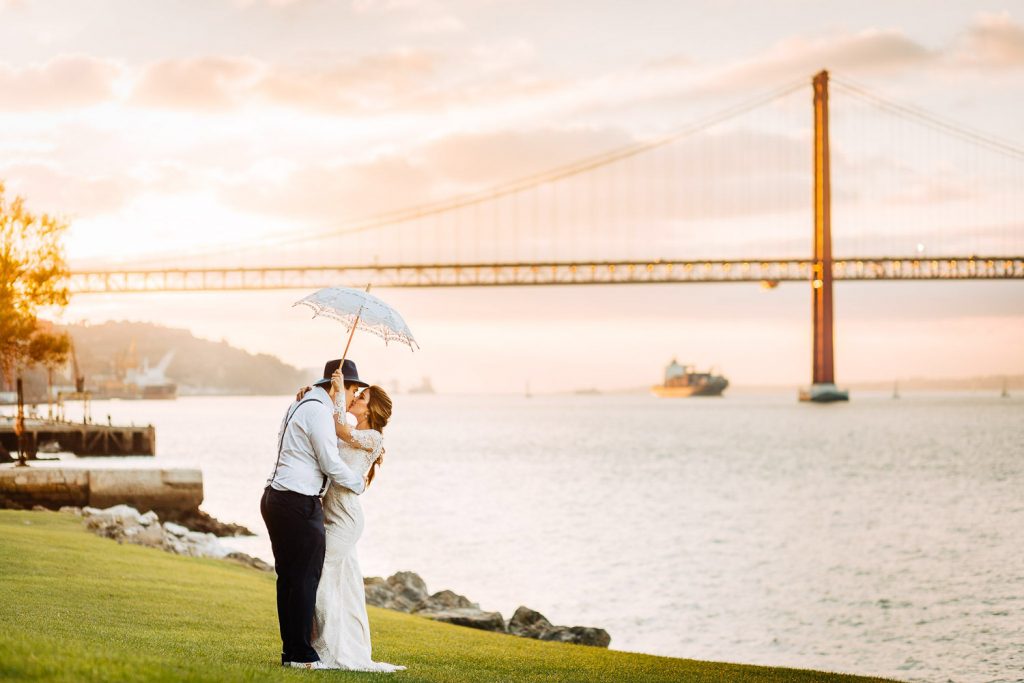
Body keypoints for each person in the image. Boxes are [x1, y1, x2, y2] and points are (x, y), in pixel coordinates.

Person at [260, 358, 368, 671]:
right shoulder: (318, 410)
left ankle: (292, 651)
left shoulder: (301, 403)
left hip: (277, 497)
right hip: (296, 500)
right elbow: (330, 463)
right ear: (339, 386)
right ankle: (301, 654)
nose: (353, 397)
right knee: (304, 579)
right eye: (353, 391)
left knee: (290, 580)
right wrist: (358, 483)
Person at [295, 371, 404, 672]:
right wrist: (311, 396)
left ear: (371, 409)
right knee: (342, 585)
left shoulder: (373, 438)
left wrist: (339, 390)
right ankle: (332, 645)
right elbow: (329, 429)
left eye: (362, 396)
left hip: (346, 519)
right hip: (329, 515)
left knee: (321, 576)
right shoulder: (350, 432)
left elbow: (339, 428)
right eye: (356, 393)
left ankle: (324, 650)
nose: (356, 397)